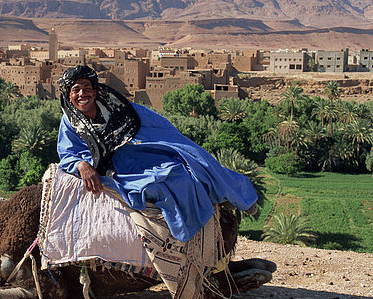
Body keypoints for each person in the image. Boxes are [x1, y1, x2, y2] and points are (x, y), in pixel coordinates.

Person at [57, 65, 258, 243]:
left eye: (87, 88)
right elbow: (67, 153)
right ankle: (182, 234)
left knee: (189, 163)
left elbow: (152, 122)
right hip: (111, 168)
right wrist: (82, 165)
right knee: (156, 184)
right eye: (76, 89)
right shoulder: (69, 121)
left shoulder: (117, 107)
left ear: (95, 90)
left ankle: (234, 196)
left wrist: (170, 139)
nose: (82, 93)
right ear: (69, 95)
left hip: (138, 153)